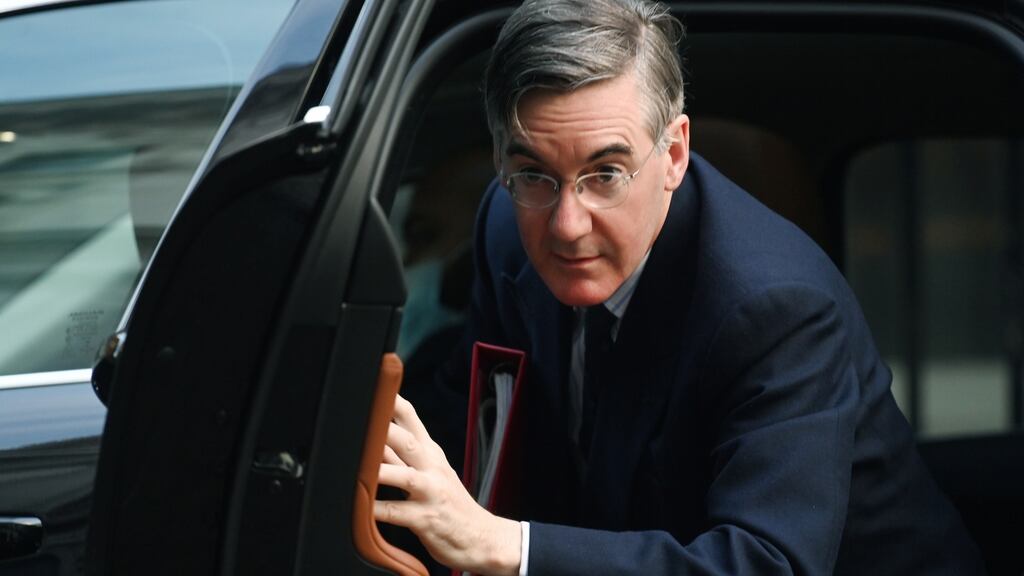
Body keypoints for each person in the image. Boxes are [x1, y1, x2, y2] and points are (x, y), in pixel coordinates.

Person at [375, 0, 986, 574]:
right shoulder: (504, 225)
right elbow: (479, 436)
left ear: (673, 154)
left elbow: (766, 562)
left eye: (606, 174)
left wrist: (504, 544)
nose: (566, 226)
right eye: (533, 173)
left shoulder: (776, 307)